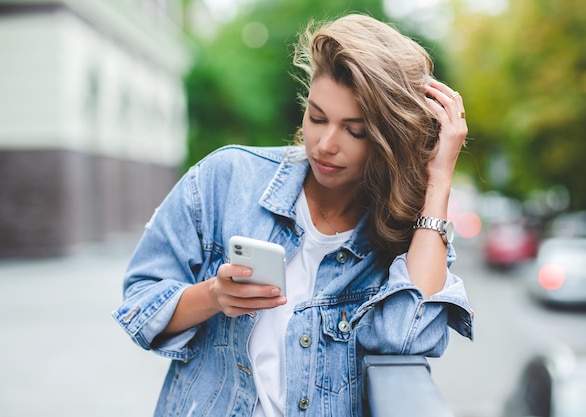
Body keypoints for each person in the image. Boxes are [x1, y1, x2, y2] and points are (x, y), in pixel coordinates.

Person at [113, 13, 473, 417]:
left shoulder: (407, 228)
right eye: (317, 117)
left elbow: (406, 337)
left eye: (354, 131)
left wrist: (439, 179)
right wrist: (213, 295)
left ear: (390, 138)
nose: (325, 144)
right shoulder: (227, 178)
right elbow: (138, 306)